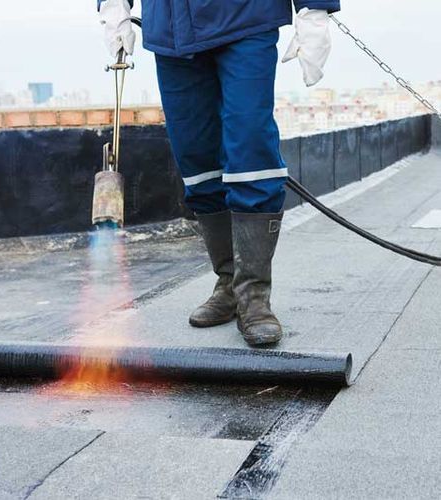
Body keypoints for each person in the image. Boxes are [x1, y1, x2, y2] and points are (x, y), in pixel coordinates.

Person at [98, 0, 340, 346]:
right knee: (197, 160)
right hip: (171, 31)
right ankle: (229, 283)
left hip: (245, 18)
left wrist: (314, 10)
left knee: (251, 150)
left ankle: (253, 296)